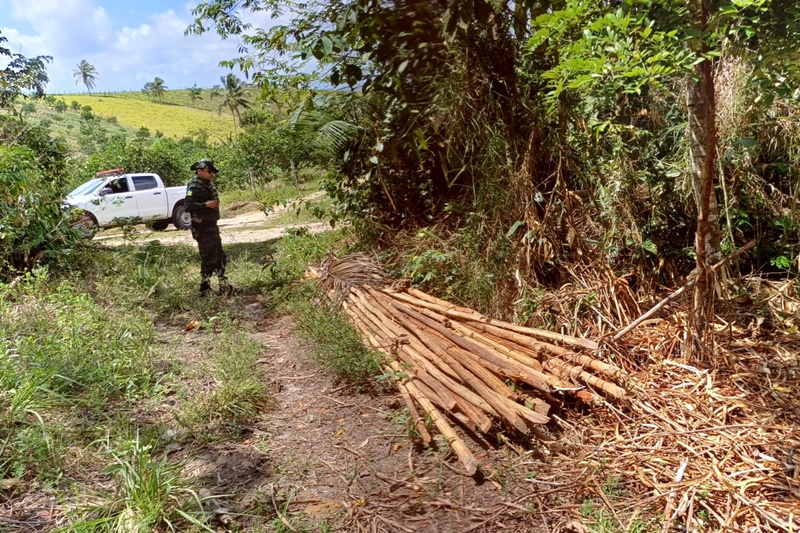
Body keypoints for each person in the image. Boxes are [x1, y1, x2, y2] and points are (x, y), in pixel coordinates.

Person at [184, 159, 232, 296]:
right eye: (210, 171)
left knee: (219, 256)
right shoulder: (194, 185)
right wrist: (205, 205)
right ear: (200, 171)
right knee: (209, 258)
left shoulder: (207, 184)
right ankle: (205, 288)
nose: (212, 174)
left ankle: (223, 285)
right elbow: (187, 206)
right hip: (202, 228)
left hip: (211, 225)